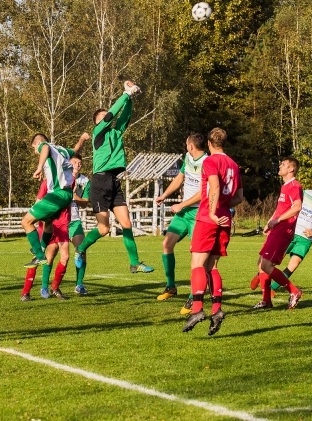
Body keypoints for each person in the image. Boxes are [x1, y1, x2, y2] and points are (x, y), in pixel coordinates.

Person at [74, 81, 154, 275]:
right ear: (97, 123)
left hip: (114, 181)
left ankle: (134, 262)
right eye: (103, 118)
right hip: (100, 183)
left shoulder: (116, 132)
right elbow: (112, 114)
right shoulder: (97, 133)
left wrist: (131, 98)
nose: (107, 119)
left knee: (127, 224)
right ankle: (81, 249)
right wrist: (125, 94)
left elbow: (125, 114)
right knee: (103, 229)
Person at [182, 127, 242, 335]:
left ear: (208, 143)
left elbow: (214, 187)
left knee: (197, 264)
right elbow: (239, 197)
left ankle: (197, 309)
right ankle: (216, 309)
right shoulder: (234, 165)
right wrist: (224, 207)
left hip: (210, 218)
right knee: (212, 266)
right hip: (226, 217)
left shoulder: (210, 161)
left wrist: (214, 211)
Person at [21, 133, 89, 268]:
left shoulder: (44, 146)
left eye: (34, 148)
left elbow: (44, 148)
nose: (36, 152)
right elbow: (76, 150)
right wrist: (82, 138)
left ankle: (40, 256)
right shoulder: (62, 150)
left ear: (36, 144)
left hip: (57, 194)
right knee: (48, 223)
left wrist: (39, 167)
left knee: (26, 222)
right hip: (67, 194)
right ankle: (39, 249)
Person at [154, 132, 207, 300]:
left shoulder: (207, 163)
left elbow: (204, 192)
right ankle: (171, 287)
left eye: (186, 144)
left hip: (198, 213)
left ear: (191, 145)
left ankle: (194, 296)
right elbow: (180, 177)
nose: (186, 146)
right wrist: (165, 195)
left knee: (196, 256)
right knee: (167, 244)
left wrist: (182, 204)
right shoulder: (188, 158)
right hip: (183, 213)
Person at [251, 157, 304, 310]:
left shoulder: (294, 186)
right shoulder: (285, 186)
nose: (280, 166)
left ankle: (294, 291)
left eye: (283, 164)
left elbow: (297, 206)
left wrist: (278, 220)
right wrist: (270, 221)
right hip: (277, 228)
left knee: (267, 265)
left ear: (291, 169)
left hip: (283, 230)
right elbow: (281, 208)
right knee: (261, 264)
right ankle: (266, 301)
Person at [268, 175, 312, 293]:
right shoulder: (305, 193)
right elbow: (288, 207)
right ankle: (261, 277)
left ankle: (272, 288)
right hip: (291, 232)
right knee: (273, 261)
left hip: (306, 238)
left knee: (294, 263)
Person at [20, 178, 72, 301]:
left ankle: (53, 288)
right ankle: (26, 292)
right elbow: (39, 201)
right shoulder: (48, 181)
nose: (76, 166)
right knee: (40, 257)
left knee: (64, 256)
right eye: (74, 163)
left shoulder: (71, 182)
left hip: (62, 224)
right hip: (46, 225)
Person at [70, 153, 92, 296]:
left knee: (81, 251)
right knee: (51, 254)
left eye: (80, 162)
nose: (78, 164)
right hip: (57, 219)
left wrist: (74, 196)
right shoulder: (60, 176)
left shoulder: (85, 181)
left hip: (74, 219)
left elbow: (85, 203)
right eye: (75, 162)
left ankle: (79, 284)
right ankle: (46, 286)